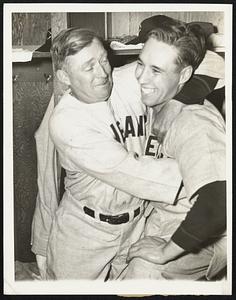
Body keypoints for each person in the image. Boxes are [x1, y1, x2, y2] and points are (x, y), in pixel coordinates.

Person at [31, 18, 225, 280]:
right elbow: (135, 173)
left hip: (138, 222)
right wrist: (205, 174)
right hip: (86, 232)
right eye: (88, 68)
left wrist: (177, 100)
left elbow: (213, 62)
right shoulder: (67, 122)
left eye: (103, 60)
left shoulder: (132, 79)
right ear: (65, 77)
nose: (102, 73)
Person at [119, 18, 226, 280]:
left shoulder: (193, 121)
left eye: (156, 70)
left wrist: (165, 252)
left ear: (186, 75)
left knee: (142, 272)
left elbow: (220, 200)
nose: (141, 77)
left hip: (205, 232)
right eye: (141, 64)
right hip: (166, 218)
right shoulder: (162, 97)